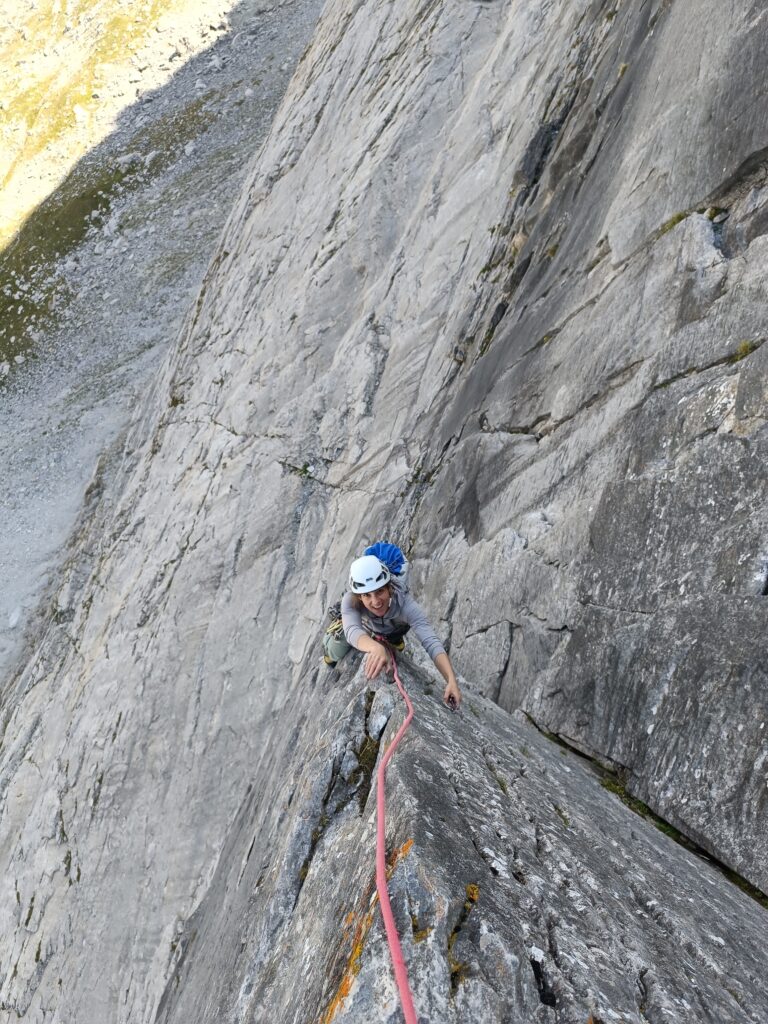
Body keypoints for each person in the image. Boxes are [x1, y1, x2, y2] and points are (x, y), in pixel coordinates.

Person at [323, 553, 462, 709]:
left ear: (389, 588)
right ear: (359, 597)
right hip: (365, 624)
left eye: (380, 591)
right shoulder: (350, 600)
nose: (375, 601)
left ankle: (392, 637)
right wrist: (375, 648)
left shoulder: (406, 605)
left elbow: (431, 641)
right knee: (335, 650)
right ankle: (332, 645)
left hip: (390, 628)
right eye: (367, 595)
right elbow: (352, 631)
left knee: (393, 632)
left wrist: (451, 680)